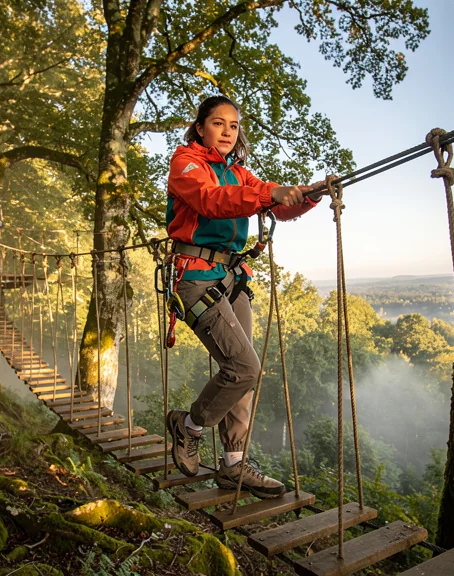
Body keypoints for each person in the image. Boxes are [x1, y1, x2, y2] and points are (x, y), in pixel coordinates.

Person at [164, 95, 324, 499]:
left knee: (243, 378)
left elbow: (274, 201)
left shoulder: (238, 172)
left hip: (232, 277)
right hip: (197, 279)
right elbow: (210, 201)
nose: (227, 132)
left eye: (233, 126)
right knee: (245, 367)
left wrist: (310, 194)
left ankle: (233, 465)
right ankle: (190, 426)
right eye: (218, 123)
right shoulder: (186, 164)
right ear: (201, 127)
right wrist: (271, 195)